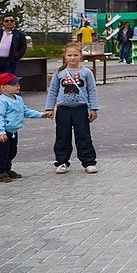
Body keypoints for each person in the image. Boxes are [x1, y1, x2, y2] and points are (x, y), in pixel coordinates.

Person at [44, 42, 99, 174]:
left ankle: (89, 162)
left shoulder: (86, 72)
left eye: (75, 55)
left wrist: (94, 108)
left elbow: (92, 90)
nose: (72, 58)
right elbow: (53, 91)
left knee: (83, 136)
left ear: (81, 56)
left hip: (81, 108)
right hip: (63, 109)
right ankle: (62, 161)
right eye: (70, 55)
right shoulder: (59, 72)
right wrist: (49, 108)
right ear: (65, 56)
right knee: (62, 136)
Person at [0, 72, 49, 182]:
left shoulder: (18, 99)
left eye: (17, 83)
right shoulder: (1, 101)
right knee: (2, 153)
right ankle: (1, 172)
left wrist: (41, 115)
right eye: (13, 84)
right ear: (3, 88)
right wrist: (0, 131)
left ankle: (7, 169)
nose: (18, 86)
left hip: (13, 131)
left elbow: (26, 111)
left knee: (12, 151)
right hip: (3, 132)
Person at [0, 14, 27, 104]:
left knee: (10, 80)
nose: (9, 22)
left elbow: (23, 47)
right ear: (3, 23)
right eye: (7, 21)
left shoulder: (19, 34)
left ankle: (10, 97)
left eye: (11, 21)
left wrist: (17, 57)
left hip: (10, 61)